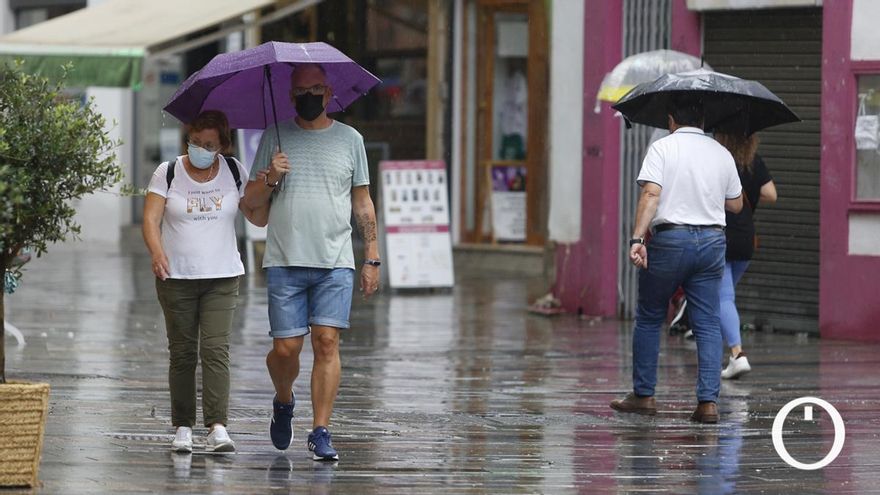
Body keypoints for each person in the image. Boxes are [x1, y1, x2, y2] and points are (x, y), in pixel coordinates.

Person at [242, 63, 380, 461]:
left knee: (326, 342)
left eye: (316, 88)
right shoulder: (275, 137)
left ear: (329, 91)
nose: (309, 95)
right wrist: (271, 176)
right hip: (285, 258)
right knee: (286, 349)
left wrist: (371, 256)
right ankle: (283, 399)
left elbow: (362, 201)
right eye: (301, 89)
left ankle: (321, 430)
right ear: (289, 95)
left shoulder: (351, 139)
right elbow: (250, 203)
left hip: (335, 259)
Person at [610, 93, 743, 424]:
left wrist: (638, 238)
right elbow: (737, 204)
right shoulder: (722, 152)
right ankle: (707, 404)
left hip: (671, 239)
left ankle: (644, 395)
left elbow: (651, 193)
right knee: (708, 321)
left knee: (651, 314)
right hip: (713, 242)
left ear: (671, 119)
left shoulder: (663, 148)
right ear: (703, 121)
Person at [143, 110, 268, 453]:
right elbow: (151, 220)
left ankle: (217, 426)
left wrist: (268, 184)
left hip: (222, 276)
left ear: (223, 146)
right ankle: (183, 426)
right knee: (182, 353)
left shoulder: (233, 171)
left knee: (216, 350)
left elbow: (257, 217)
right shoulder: (167, 172)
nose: (200, 148)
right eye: (195, 142)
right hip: (176, 277)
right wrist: (157, 253)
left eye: (208, 144)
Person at [714, 132, 777, 379]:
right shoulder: (754, 162)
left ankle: (737, 354)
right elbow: (772, 194)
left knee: (723, 297)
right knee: (723, 297)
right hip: (746, 238)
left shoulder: (719, 161)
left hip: (722, 235)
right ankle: (722, 350)